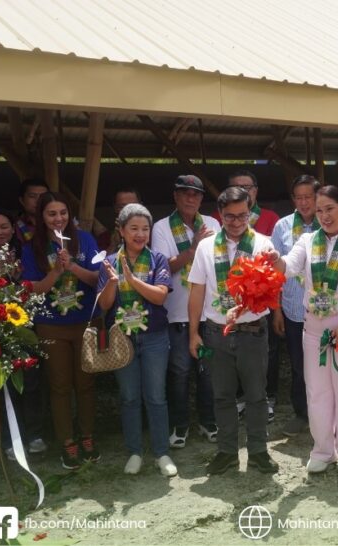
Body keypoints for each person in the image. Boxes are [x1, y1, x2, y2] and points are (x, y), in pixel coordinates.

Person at [266, 185, 338, 473]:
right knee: (317, 392)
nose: (325, 216)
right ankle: (323, 449)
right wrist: (273, 260)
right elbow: (288, 267)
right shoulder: (306, 240)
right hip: (313, 327)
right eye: (319, 210)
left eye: (330, 208)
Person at [188, 186, 279, 475]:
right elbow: (197, 290)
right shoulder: (205, 246)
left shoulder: (263, 245)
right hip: (217, 332)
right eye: (230, 217)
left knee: (256, 395)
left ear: (250, 212)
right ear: (220, 215)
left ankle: (258, 452)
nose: (237, 222)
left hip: (252, 330)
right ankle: (227, 452)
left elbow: (272, 287)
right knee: (222, 396)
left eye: (243, 216)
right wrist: (194, 332)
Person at [20, 192, 101, 470]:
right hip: (51, 323)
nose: (58, 219)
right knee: (59, 385)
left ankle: (88, 436)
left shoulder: (85, 240)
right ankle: (67, 441)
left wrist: (73, 267)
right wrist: (55, 272)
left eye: (63, 213)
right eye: (51, 214)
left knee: (86, 383)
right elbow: (31, 290)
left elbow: (97, 280)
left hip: (85, 321)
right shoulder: (32, 248)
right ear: (41, 217)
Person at [98, 204, 177, 477]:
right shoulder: (108, 261)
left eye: (145, 229)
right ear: (121, 231)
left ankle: (161, 453)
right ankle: (134, 451)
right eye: (133, 228)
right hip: (122, 339)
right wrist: (112, 282)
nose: (140, 234)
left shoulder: (158, 260)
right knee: (129, 397)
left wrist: (130, 279)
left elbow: (159, 296)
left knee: (156, 396)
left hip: (154, 336)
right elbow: (105, 305)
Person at [152, 175, 221, 449]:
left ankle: (208, 421)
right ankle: (179, 425)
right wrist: (194, 248)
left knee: (208, 371)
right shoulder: (161, 228)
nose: (191, 199)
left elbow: (218, 262)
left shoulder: (213, 224)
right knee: (179, 372)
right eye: (185, 194)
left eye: (196, 195)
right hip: (176, 315)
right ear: (175, 196)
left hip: (209, 313)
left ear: (202, 199)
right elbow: (163, 268)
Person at [0, 209, 46, 460]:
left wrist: (16, 275)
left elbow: (33, 285)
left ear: (12, 228)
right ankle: (10, 439)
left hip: (24, 325)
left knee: (31, 382)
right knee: (3, 386)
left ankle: (36, 434)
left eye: (4, 226)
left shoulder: (25, 253)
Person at [216, 170, 281, 421]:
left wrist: (276, 310)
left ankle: (266, 401)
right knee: (226, 381)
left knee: (262, 367)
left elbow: (274, 277)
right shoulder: (212, 241)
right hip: (221, 318)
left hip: (256, 316)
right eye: (230, 216)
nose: (235, 220)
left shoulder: (266, 231)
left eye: (248, 187)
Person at [270, 174, 321, 437]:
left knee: (324, 364)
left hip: (325, 311)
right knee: (299, 364)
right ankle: (301, 414)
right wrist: (276, 309)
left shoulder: (329, 223)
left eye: (308, 197)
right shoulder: (282, 227)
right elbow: (275, 272)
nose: (303, 202)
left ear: (317, 197)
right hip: (292, 310)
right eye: (298, 197)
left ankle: (325, 415)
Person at [96, 187, 141, 253]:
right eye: (122, 207)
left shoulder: (152, 233)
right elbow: (100, 263)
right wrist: (113, 245)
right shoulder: (105, 237)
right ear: (115, 208)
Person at [15, 178, 50, 243]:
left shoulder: (57, 223)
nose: (38, 201)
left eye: (43, 196)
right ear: (22, 200)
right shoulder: (13, 226)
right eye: (32, 196)